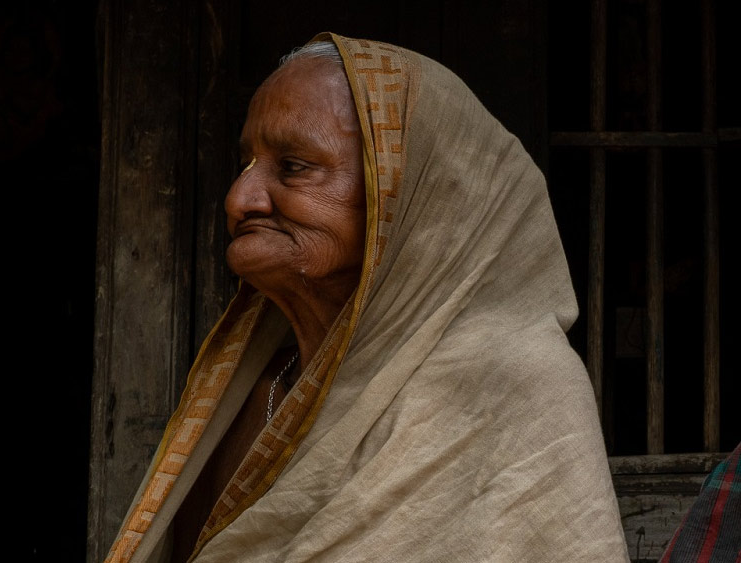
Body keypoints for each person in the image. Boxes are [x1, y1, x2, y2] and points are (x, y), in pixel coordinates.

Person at [105, 33, 630, 562]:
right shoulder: (251, 386)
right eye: (245, 165)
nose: (239, 199)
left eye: (293, 166)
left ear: (414, 196)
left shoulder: (514, 382)